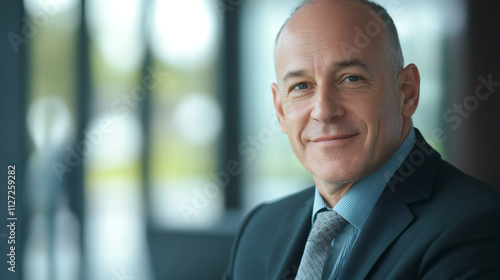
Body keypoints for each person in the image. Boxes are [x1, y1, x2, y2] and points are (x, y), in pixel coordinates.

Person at [223, 0, 500, 279]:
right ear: (281, 110)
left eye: (351, 79)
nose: (324, 111)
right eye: (301, 86)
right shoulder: (260, 230)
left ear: (408, 92)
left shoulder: (476, 226)